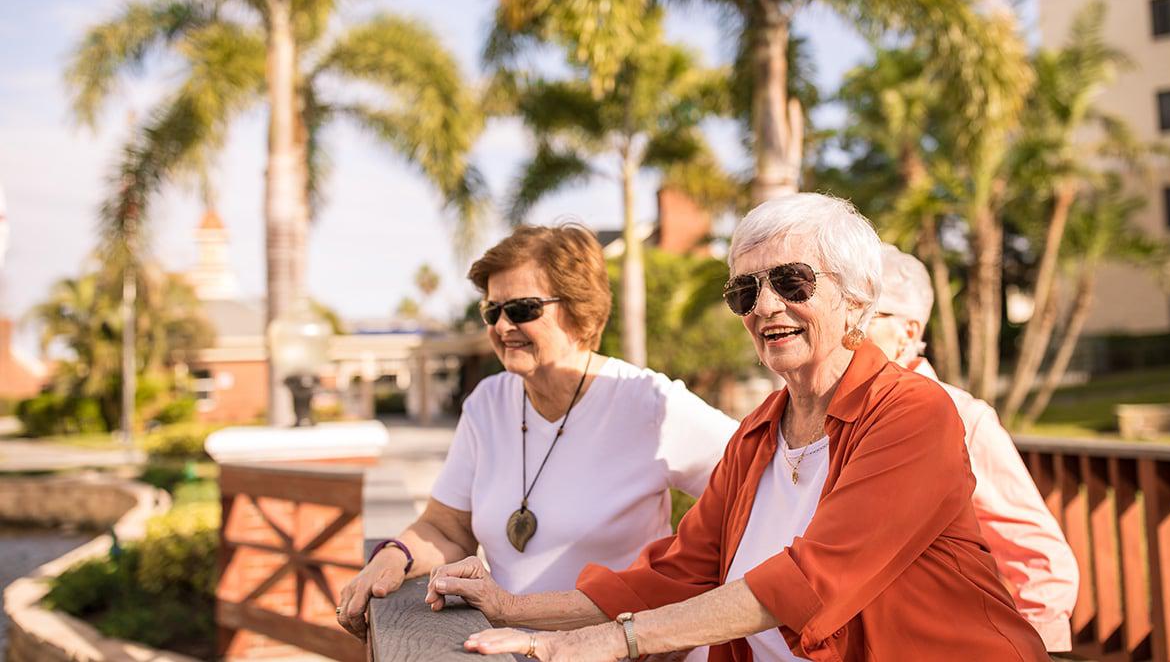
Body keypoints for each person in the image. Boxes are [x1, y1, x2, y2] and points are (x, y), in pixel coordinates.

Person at [425, 193, 1050, 661]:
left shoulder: (913, 414)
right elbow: (677, 573)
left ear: (857, 300)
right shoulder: (758, 434)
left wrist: (616, 642)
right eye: (744, 291)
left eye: (792, 281)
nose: (766, 306)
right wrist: (514, 608)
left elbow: (808, 582)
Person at [335, 224, 737, 641]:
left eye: (523, 309)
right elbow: (447, 528)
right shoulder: (487, 403)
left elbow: (757, 486)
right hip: (512, 649)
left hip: (619, 650)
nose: (503, 325)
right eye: (493, 310)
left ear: (580, 309)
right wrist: (393, 556)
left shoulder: (648, 402)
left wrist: (681, 613)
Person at [866, 243, 1079, 651]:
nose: (847, 332)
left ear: (908, 332)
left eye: (866, 316)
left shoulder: (961, 417)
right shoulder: (830, 418)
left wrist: (1038, 650)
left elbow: (1040, 556)